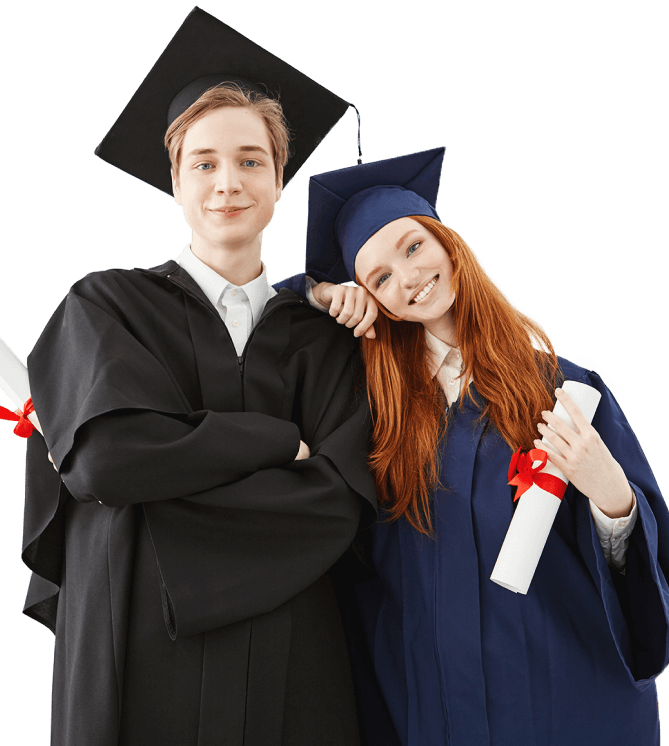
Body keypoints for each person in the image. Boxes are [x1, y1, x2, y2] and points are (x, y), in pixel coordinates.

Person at [20, 8, 388, 745]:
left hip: (292, 657)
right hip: (135, 642)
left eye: (251, 161)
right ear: (175, 181)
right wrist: (276, 443)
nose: (228, 183)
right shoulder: (105, 305)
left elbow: (341, 503)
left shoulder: (327, 337)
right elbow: (108, 460)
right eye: (205, 163)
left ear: (280, 181)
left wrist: (168, 491)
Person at [275, 147, 668, 745]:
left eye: (413, 247)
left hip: (560, 694)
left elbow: (636, 572)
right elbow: (259, 314)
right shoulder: (376, 415)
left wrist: (612, 496)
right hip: (430, 701)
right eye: (379, 278)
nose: (408, 277)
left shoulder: (563, 390)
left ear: (447, 243)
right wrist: (320, 294)